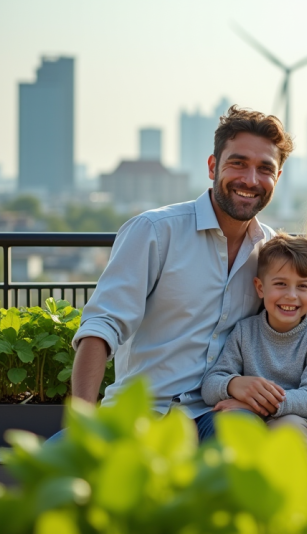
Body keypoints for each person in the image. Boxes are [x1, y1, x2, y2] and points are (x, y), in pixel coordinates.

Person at [69, 106, 293, 440]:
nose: (250, 179)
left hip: (216, 413)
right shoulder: (155, 231)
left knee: (239, 445)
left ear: (276, 179)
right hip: (143, 413)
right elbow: (102, 328)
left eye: (265, 169)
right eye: (238, 163)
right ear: (212, 166)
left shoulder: (271, 251)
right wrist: (82, 427)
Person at [200, 233, 307, 465]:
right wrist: (234, 385)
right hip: (252, 422)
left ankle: (301, 500)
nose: (291, 295)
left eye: (302, 286)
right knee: (232, 423)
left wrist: (253, 404)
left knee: (288, 430)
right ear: (260, 287)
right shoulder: (244, 332)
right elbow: (211, 385)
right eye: (280, 284)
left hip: (305, 429)